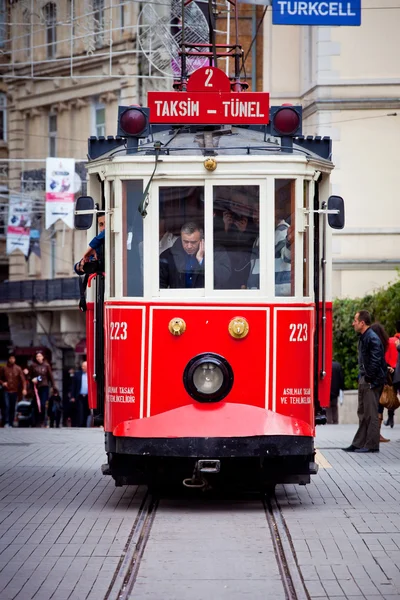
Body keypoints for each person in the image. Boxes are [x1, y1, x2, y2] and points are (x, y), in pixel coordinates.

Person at [343, 310, 386, 453]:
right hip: (365, 379)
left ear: (362, 323)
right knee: (362, 412)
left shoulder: (371, 338)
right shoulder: (365, 337)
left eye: (355, 320)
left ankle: (372, 445)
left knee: (371, 413)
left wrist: (368, 377)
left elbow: (376, 360)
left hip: (370, 381)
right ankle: (359, 443)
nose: (353, 323)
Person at [160, 222, 231, 289]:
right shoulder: (169, 255)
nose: (189, 246)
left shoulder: (216, 252)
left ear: (201, 240)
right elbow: (159, 285)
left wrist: (202, 260)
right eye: (185, 242)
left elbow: (224, 277)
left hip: (205, 301)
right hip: (179, 300)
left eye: (193, 242)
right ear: (181, 238)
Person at [370, 322, 391, 442]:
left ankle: (374, 433)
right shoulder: (381, 345)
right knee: (379, 407)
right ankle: (377, 433)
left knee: (374, 407)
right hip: (379, 380)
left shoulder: (371, 344)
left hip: (373, 380)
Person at [0, 354, 27, 428]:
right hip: (6, 390)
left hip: (14, 391)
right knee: (6, 406)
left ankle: (11, 422)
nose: (12, 360)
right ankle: (6, 422)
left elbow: (23, 380)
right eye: (11, 358)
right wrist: (3, 383)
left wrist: (24, 389)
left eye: (13, 358)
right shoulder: (4, 368)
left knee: (12, 407)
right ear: (8, 359)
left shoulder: (18, 368)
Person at [29, 351, 55, 427]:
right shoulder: (33, 366)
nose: (39, 358)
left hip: (44, 386)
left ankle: (43, 420)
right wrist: (32, 380)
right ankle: (36, 421)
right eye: (37, 356)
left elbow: (50, 377)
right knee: (36, 404)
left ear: (43, 357)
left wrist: (53, 386)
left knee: (43, 404)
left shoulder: (46, 365)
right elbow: (29, 376)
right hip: (35, 387)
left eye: (40, 356)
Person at [383, 320, 400, 428]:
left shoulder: (390, 341)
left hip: (393, 371)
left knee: (391, 394)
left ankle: (391, 417)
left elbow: (386, 358)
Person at [71, 361, 90, 427]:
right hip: (79, 396)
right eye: (82, 366)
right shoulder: (77, 374)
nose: (82, 367)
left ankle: (84, 424)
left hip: (88, 396)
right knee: (80, 411)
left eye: (84, 366)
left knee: (86, 411)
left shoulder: (91, 374)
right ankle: (80, 424)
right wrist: (72, 396)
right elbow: (73, 386)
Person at [327, 360, 344, 424]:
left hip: (328, 390)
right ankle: (335, 421)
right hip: (335, 390)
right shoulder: (338, 366)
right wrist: (341, 388)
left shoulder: (326, 365)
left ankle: (329, 421)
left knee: (328, 407)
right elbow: (341, 378)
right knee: (335, 406)